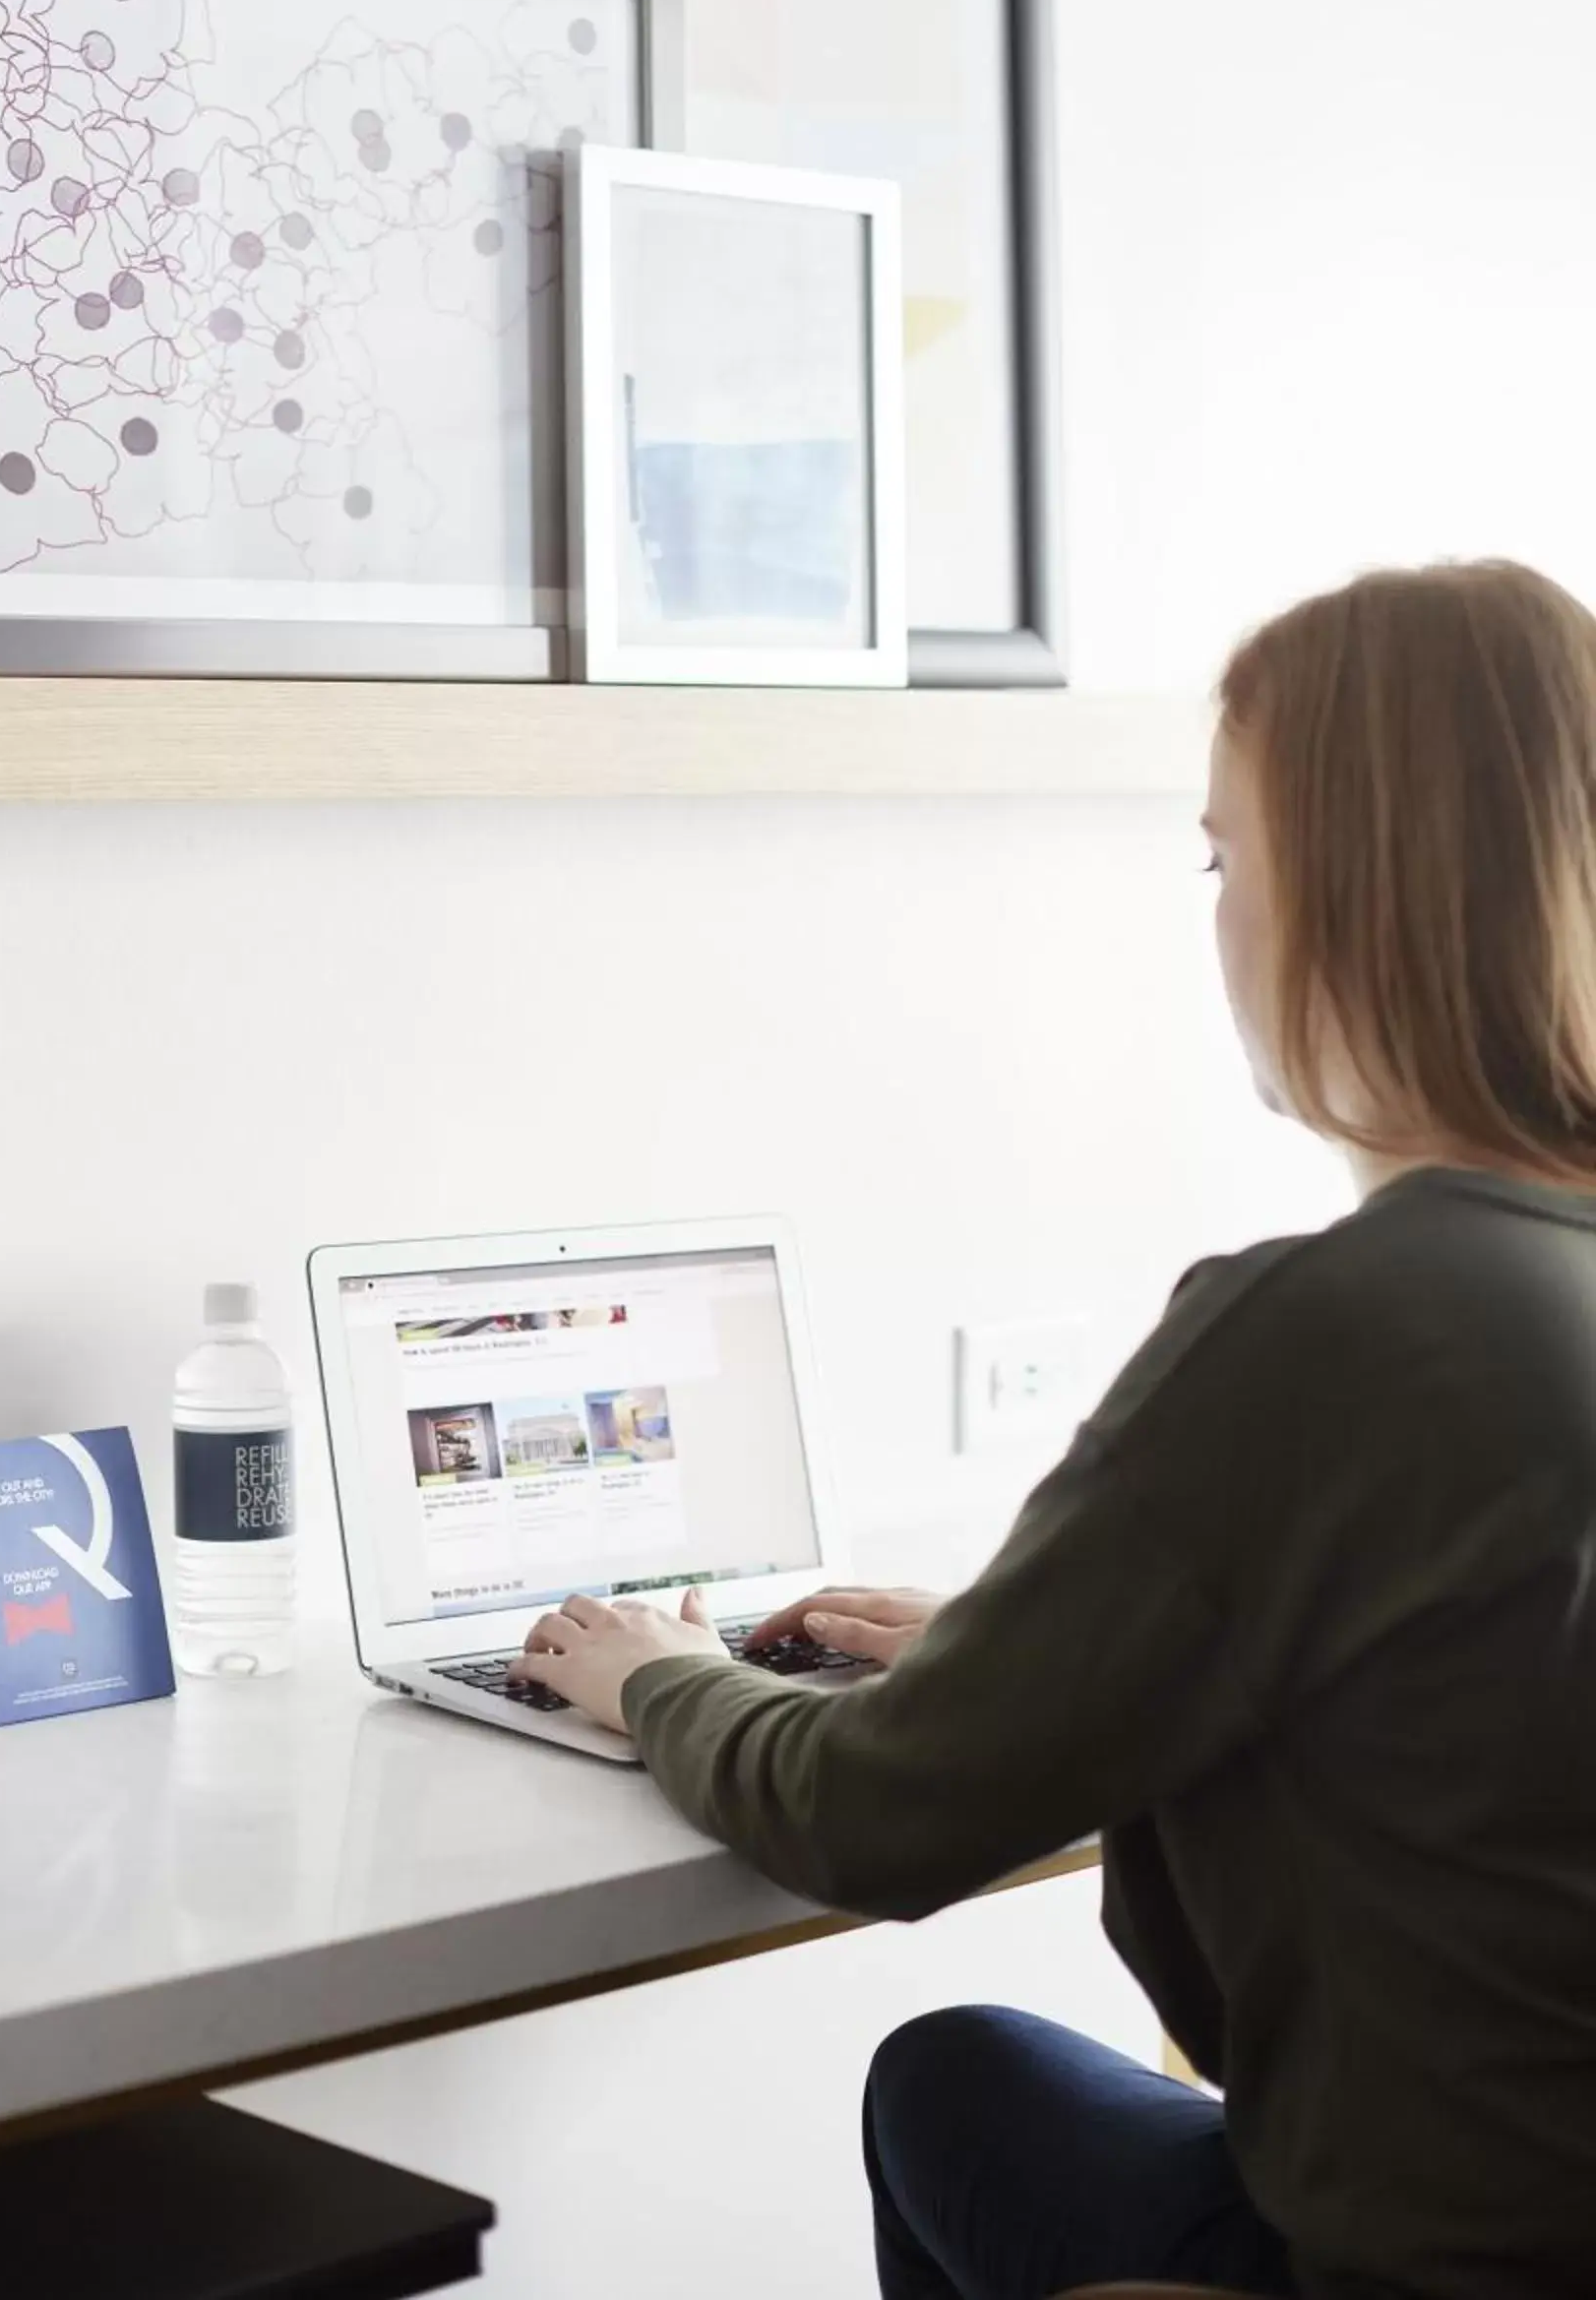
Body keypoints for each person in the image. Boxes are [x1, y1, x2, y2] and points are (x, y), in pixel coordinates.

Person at [514, 561, 1596, 2300]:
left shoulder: (1333, 1324)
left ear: (1348, 895)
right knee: (980, 2083)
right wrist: (1035, 1664)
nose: (1221, 911)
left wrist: (654, 1671)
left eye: (1225, 857)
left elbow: (871, 1817)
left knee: (950, 2080)